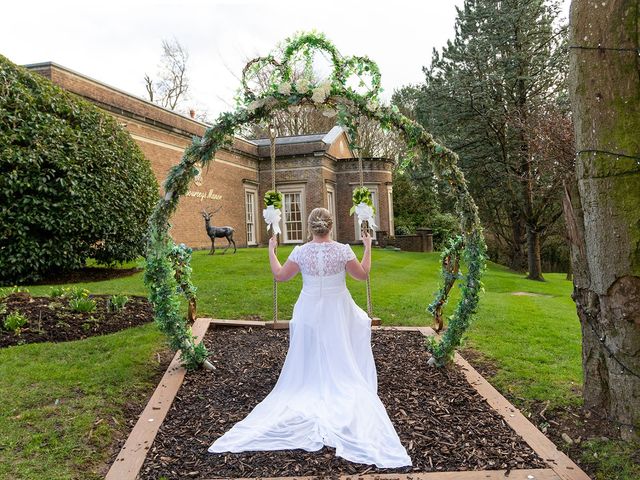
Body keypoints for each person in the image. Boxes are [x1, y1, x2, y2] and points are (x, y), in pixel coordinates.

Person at [208, 207, 412, 468]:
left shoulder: (300, 252)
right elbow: (362, 274)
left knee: (312, 349)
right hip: (337, 308)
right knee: (339, 346)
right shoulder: (342, 250)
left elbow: (280, 276)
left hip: (309, 307)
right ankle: (334, 382)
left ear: (310, 227)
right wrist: (368, 247)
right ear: (331, 226)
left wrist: (271, 251)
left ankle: (313, 382)